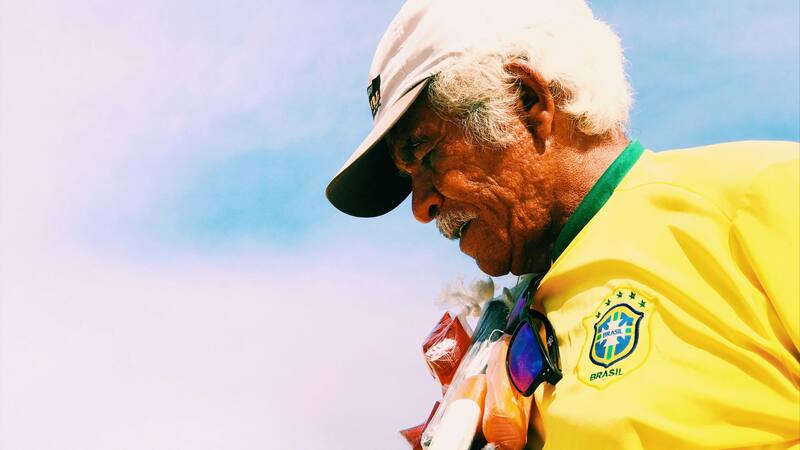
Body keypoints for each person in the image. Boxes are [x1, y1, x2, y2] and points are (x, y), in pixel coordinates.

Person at [326, 0, 800, 448]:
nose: (421, 206)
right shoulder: (498, 347)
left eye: (426, 155)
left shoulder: (764, 194)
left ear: (527, 102)